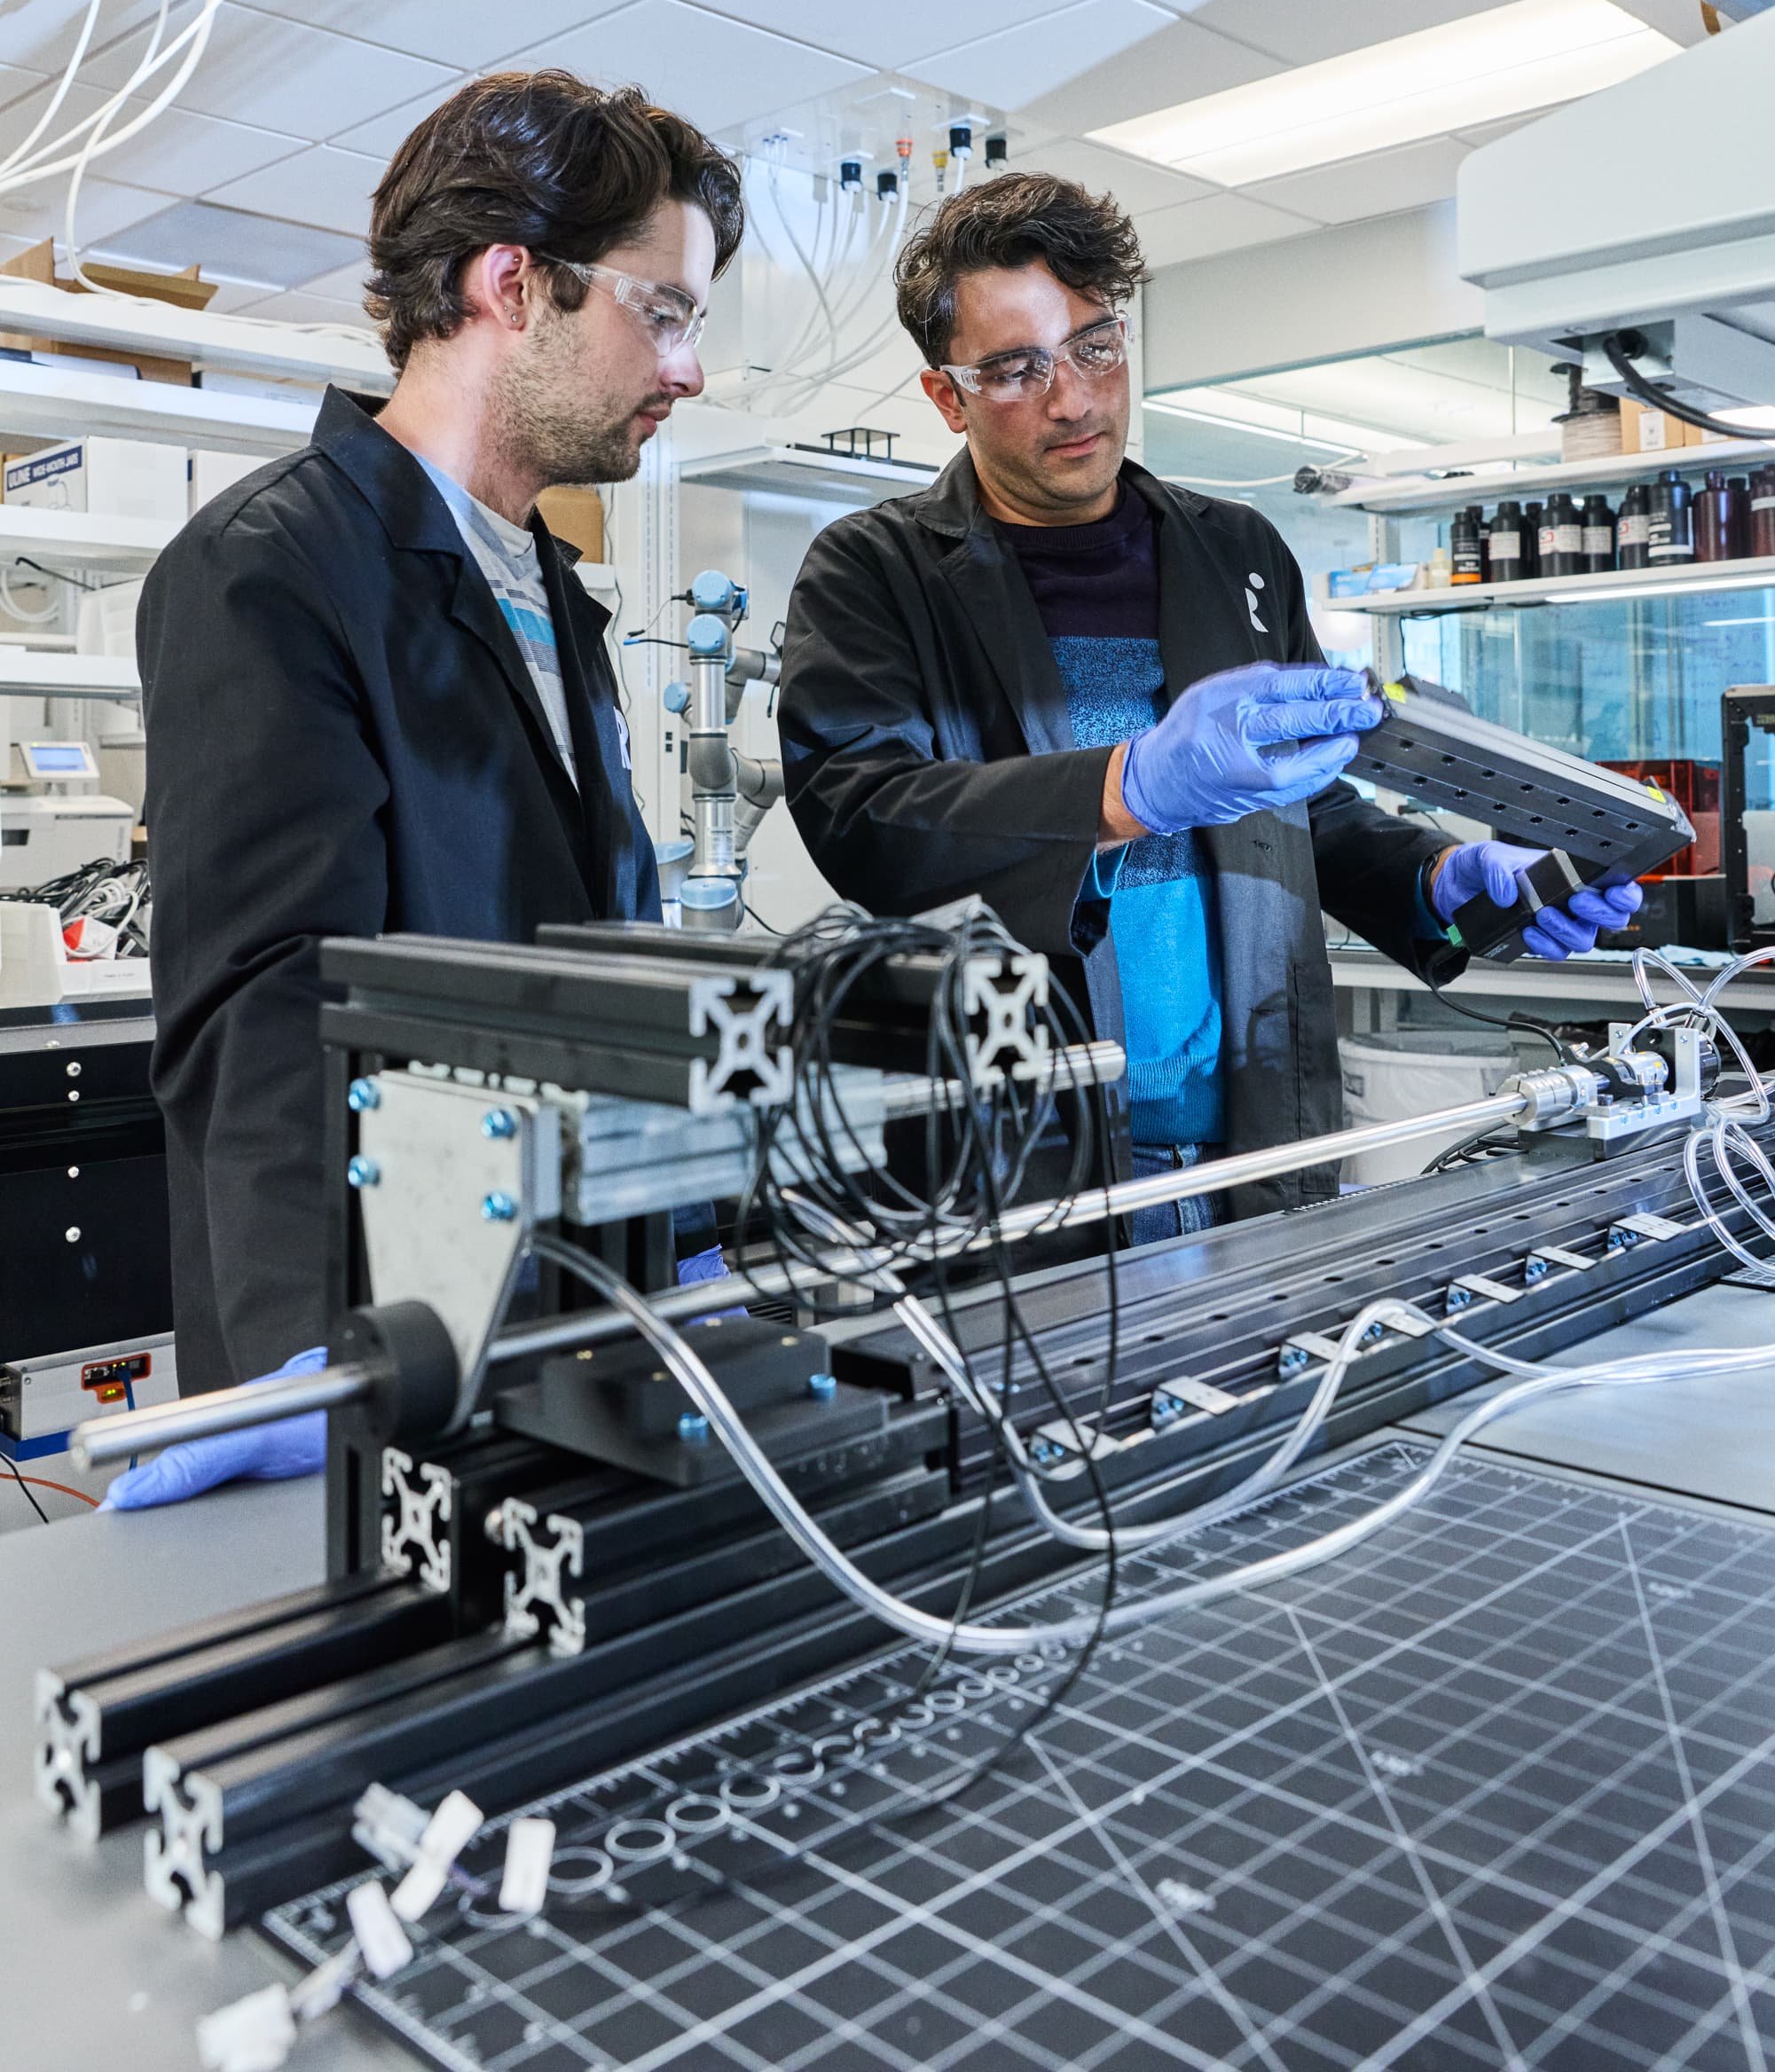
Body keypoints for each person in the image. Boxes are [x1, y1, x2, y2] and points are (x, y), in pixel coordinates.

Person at [777, 171, 1638, 1234]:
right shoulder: (875, 570)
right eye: (1016, 369)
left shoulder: (1237, 552)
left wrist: (1445, 877)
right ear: (947, 397)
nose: (1074, 398)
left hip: (1256, 1142)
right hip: (1016, 1155)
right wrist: (1131, 785)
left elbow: (1309, 810)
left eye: (1096, 345)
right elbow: (867, 818)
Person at [111, 73, 742, 1506]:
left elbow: (592, 958)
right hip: (379, 1346)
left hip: (572, 1320)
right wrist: (307, 1356)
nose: (690, 369)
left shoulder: (557, 602)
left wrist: (682, 1206)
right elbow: (268, 993)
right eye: (664, 310)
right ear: (513, 283)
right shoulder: (267, 567)